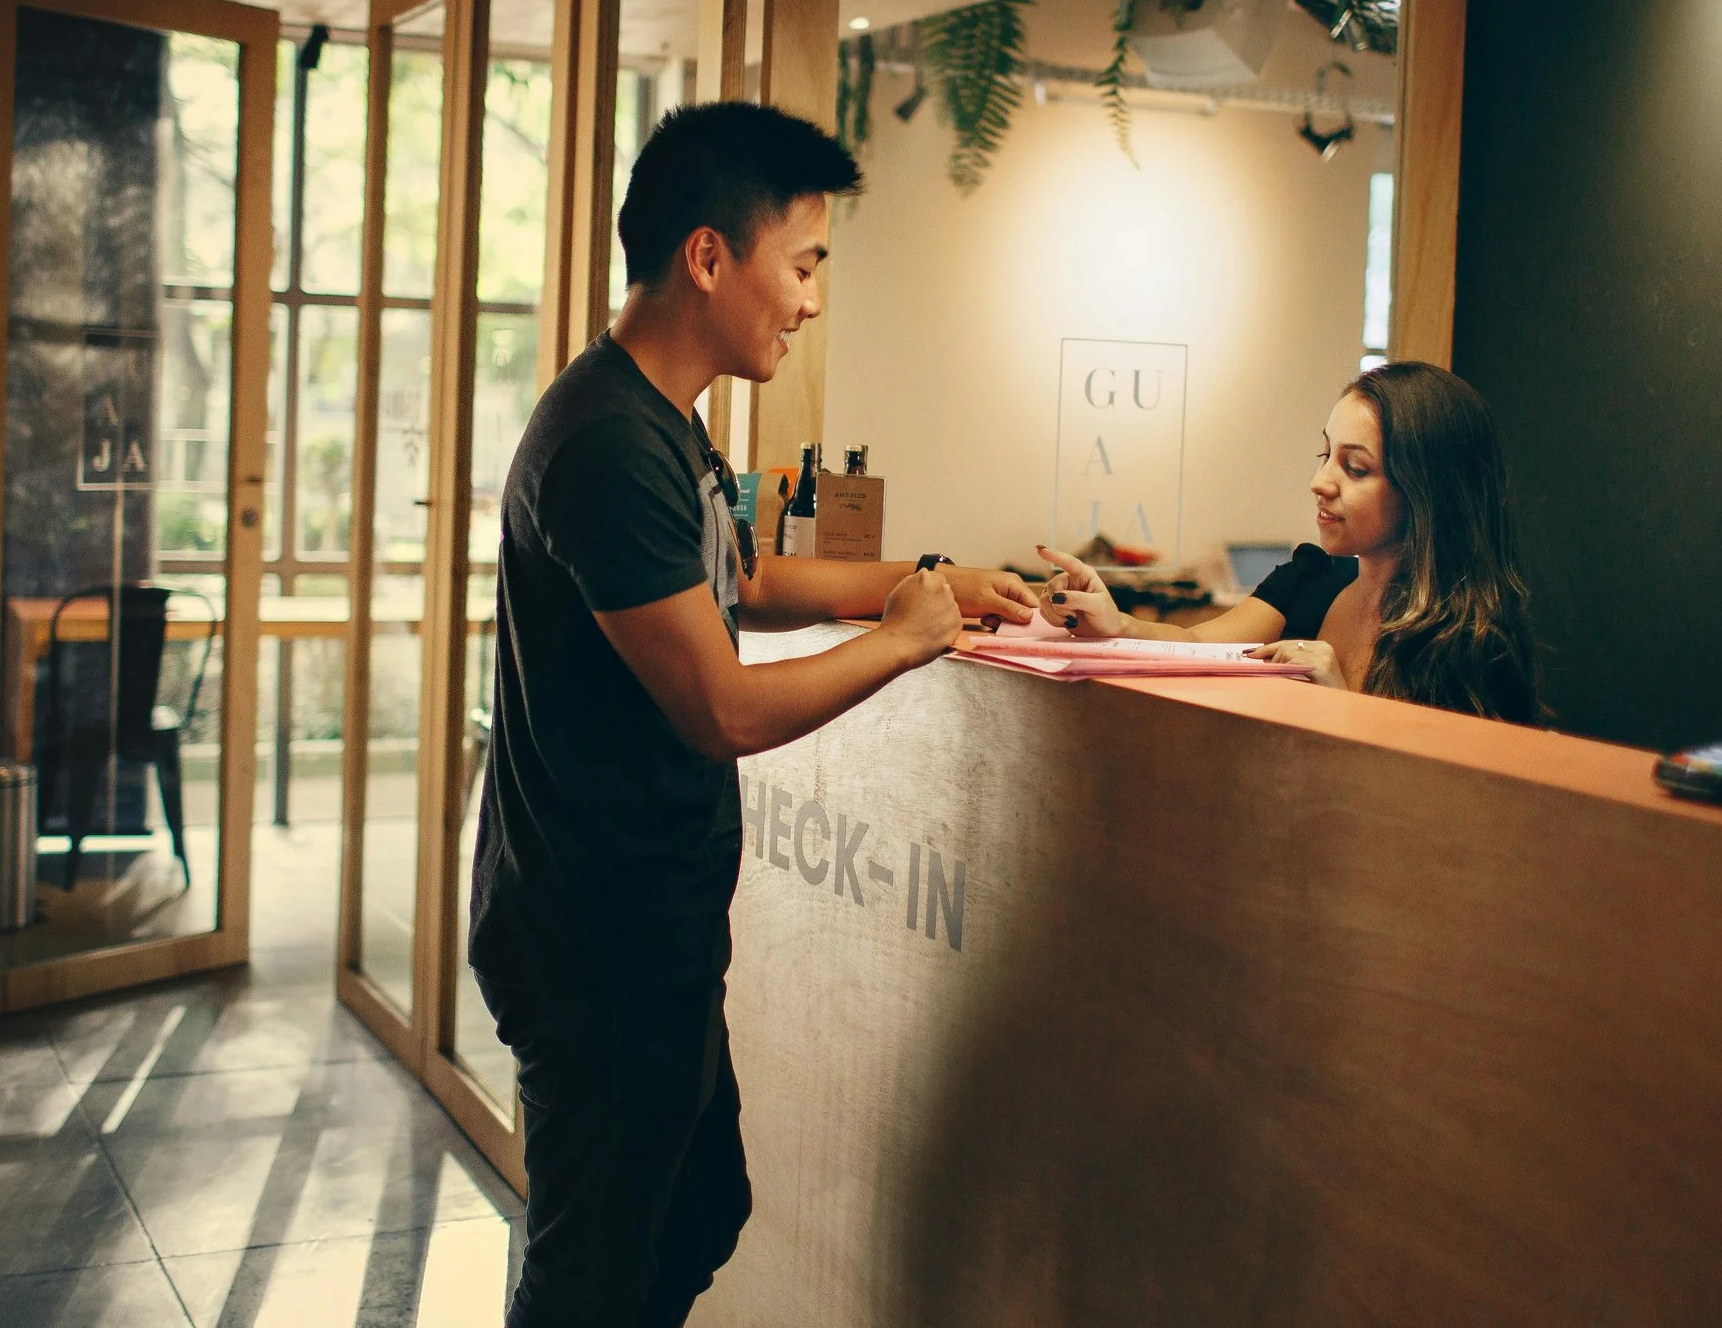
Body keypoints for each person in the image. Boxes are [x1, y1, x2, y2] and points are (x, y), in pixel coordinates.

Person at [470, 100, 1039, 1328]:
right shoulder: (608, 442)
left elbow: (752, 580)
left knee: (694, 1209)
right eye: (804, 262)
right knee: (594, 1276)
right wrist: (900, 641)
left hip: (644, 919)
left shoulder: (663, 424)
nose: (811, 298)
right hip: (594, 932)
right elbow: (718, 706)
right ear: (709, 257)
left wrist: (923, 580)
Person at [1036, 361, 1541, 724]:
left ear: (1427, 490)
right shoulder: (1311, 577)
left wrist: (1343, 704)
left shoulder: (1473, 642)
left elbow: (1453, 808)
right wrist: (1114, 621)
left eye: (1355, 467)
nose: (1320, 482)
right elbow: (1194, 647)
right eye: (1324, 455)